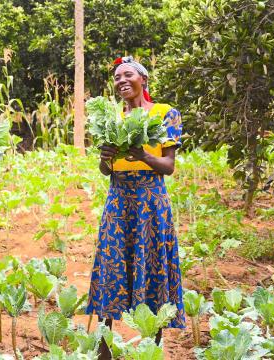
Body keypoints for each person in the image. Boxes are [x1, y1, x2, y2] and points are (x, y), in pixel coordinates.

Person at [86, 56, 185, 357]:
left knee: (152, 264)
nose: (121, 81)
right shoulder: (111, 118)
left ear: (143, 79)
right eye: (116, 78)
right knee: (112, 266)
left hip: (150, 200)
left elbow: (168, 166)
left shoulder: (165, 113)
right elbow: (107, 170)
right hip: (118, 198)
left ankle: (152, 347)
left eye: (127, 75)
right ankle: (104, 349)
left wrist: (143, 155)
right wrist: (105, 157)